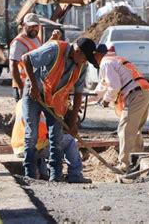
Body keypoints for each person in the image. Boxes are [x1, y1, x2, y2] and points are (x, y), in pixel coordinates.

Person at [21, 37, 101, 181]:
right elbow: (26, 58)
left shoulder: (81, 66)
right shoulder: (55, 49)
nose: (85, 62)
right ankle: (30, 175)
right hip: (34, 94)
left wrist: (73, 122)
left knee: (56, 137)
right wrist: (33, 84)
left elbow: (78, 93)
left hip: (54, 99)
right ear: (77, 51)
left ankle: (56, 176)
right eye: (84, 58)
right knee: (32, 133)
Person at [92, 45, 149, 173]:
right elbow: (102, 88)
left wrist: (106, 100)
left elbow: (114, 87)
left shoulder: (106, 63)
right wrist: (83, 101)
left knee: (125, 129)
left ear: (97, 54)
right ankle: (138, 160)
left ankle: (124, 165)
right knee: (134, 129)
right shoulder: (114, 60)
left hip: (135, 95)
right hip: (144, 91)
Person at [11, 99, 92, 183]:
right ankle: (75, 175)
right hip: (35, 147)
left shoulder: (21, 102)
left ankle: (43, 173)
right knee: (69, 140)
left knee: (42, 142)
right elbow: (52, 133)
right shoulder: (44, 104)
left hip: (19, 147)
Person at [9, 13, 42, 101]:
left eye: (36, 26)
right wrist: (20, 87)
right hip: (23, 85)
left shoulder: (37, 39)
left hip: (33, 84)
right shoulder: (18, 42)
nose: (34, 29)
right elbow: (13, 65)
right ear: (24, 25)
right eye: (31, 26)